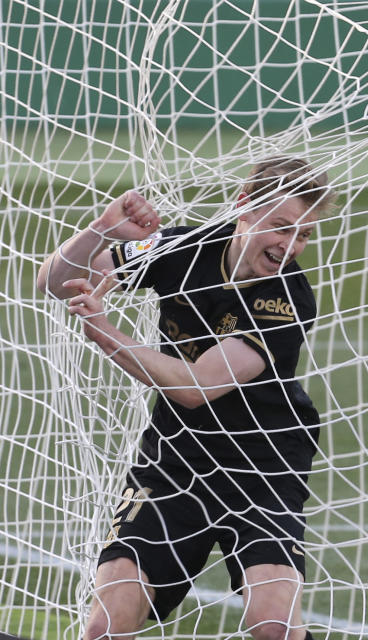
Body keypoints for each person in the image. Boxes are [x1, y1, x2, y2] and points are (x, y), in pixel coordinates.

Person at [36, 157, 336, 640]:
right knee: (105, 625)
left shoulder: (286, 298)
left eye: (302, 235)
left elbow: (197, 388)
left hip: (262, 466)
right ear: (244, 207)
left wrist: (103, 329)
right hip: (175, 458)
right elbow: (55, 280)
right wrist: (103, 229)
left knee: (273, 624)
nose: (289, 245)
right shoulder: (183, 247)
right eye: (281, 227)